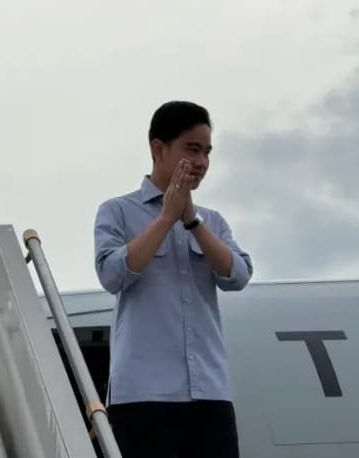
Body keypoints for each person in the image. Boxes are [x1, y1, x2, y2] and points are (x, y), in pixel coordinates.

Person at [93, 100, 253, 457]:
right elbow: (111, 275)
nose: (202, 162)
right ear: (158, 149)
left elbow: (238, 275)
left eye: (207, 153)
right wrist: (167, 217)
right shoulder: (117, 211)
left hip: (209, 392)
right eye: (192, 150)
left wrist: (192, 221)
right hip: (141, 395)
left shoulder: (212, 220)